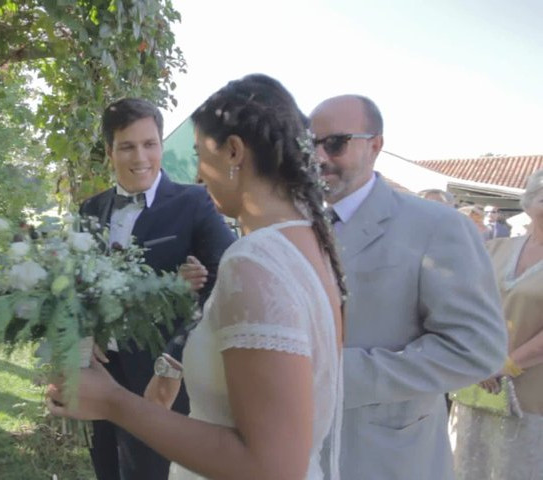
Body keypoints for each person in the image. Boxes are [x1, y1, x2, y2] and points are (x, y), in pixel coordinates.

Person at [50, 75, 345, 479]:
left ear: (234, 151)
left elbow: (271, 467)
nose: (199, 175)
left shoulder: (253, 261)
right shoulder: (311, 244)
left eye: (198, 153)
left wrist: (117, 400)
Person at [309, 95, 507, 480]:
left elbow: (477, 349)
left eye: (335, 143)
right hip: (296, 450)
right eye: (309, 144)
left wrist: (338, 374)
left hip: (386, 458)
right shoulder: (296, 225)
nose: (318, 157)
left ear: (375, 145)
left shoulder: (437, 227)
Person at [74, 97, 235, 479]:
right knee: (106, 469)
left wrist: (174, 358)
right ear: (110, 151)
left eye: (150, 144)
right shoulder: (90, 211)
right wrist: (84, 332)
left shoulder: (195, 203)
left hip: (160, 378)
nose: (140, 157)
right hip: (102, 372)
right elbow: (77, 283)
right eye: (127, 146)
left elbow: (228, 280)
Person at [452, 168, 543, 479]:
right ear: (529, 200)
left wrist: (504, 366)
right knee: (469, 467)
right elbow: (463, 306)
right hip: (477, 385)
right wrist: (478, 359)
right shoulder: (494, 248)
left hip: (532, 397)